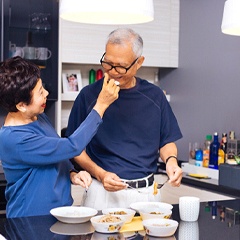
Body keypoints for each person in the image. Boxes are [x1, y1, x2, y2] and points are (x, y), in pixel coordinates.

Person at [66, 28, 183, 210]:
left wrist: (171, 162)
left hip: (146, 194)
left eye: (120, 66)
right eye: (108, 63)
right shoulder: (88, 96)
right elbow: (74, 149)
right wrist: (101, 174)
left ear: (139, 63)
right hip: (101, 192)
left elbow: (166, 141)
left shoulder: (155, 96)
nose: (112, 71)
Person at [0, 56, 119, 218]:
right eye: (40, 92)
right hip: (31, 221)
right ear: (21, 105)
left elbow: (56, 151)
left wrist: (72, 173)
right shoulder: (14, 139)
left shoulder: (37, 116)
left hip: (60, 214)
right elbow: (72, 146)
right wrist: (101, 105)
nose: (46, 93)